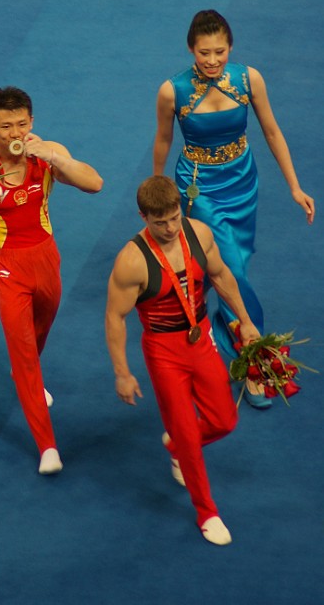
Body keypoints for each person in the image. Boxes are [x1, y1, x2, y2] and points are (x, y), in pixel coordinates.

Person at [153, 9, 314, 407]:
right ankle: (255, 358)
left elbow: (272, 130)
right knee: (232, 268)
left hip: (243, 181)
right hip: (199, 188)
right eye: (203, 52)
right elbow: (162, 140)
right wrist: (157, 189)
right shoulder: (172, 91)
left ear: (231, 47)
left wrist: (294, 186)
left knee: (230, 261)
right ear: (190, 49)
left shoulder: (249, 79)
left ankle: (203, 324)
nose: (211, 60)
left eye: (219, 52)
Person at [0, 86, 103, 474]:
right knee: (24, 351)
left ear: (32, 122)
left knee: (43, 323)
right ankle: (47, 445)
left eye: (22, 124)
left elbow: (95, 183)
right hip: (7, 265)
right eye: (6, 126)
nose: (14, 134)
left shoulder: (45, 152)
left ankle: (23, 366)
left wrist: (53, 155)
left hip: (46, 256)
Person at [105, 175, 260, 545]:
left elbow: (221, 276)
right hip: (163, 351)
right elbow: (115, 317)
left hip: (200, 337)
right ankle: (207, 511)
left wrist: (247, 322)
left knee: (225, 420)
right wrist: (122, 373)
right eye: (160, 222)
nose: (170, 228)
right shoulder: (131, 261)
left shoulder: (199, 234)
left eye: (174, 218)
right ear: (143, 217)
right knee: (189, 434)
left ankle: (175, 445)